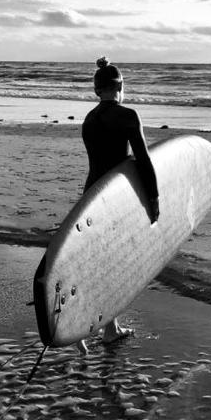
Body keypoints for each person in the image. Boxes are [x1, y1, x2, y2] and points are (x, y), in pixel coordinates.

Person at [80, 56, 159, 347]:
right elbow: (144, 161)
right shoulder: (128, 116)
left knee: (102, 262)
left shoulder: (89, 119)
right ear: (121, 87)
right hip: (115, 199)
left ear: (96, 90)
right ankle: (107, 327)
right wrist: (154, 199)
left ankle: (104, 325)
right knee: (117, 265)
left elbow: (99, 161)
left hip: (90, 196)